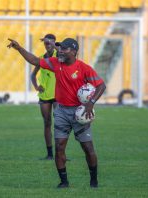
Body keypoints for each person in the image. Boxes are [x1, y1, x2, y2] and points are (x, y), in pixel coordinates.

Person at [7, 37, 106, 188]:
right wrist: (19, 48)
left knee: (88, 148)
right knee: (59, 147)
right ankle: (64, 182)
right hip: (61, 111)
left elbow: (101, 86)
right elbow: (34, 60)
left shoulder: (84, 68)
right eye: (59, 47)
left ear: (73, 52)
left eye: (64, 48)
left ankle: (94, 181)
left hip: (80, 113)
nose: (59, 50)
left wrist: (90, 104)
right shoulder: (55, 63)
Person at [31, 34, 57, 160]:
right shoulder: (41, 58)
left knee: (60, 124)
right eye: (45, 43)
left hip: (58, 94)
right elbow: (33, 75)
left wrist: (54, 44)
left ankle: (60, 153)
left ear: (54, 43)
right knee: (47, 123)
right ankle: (50, 154)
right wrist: (36, 86)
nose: (47, 45)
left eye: (50, 43)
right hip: (45, 95)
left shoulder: (59, 55)